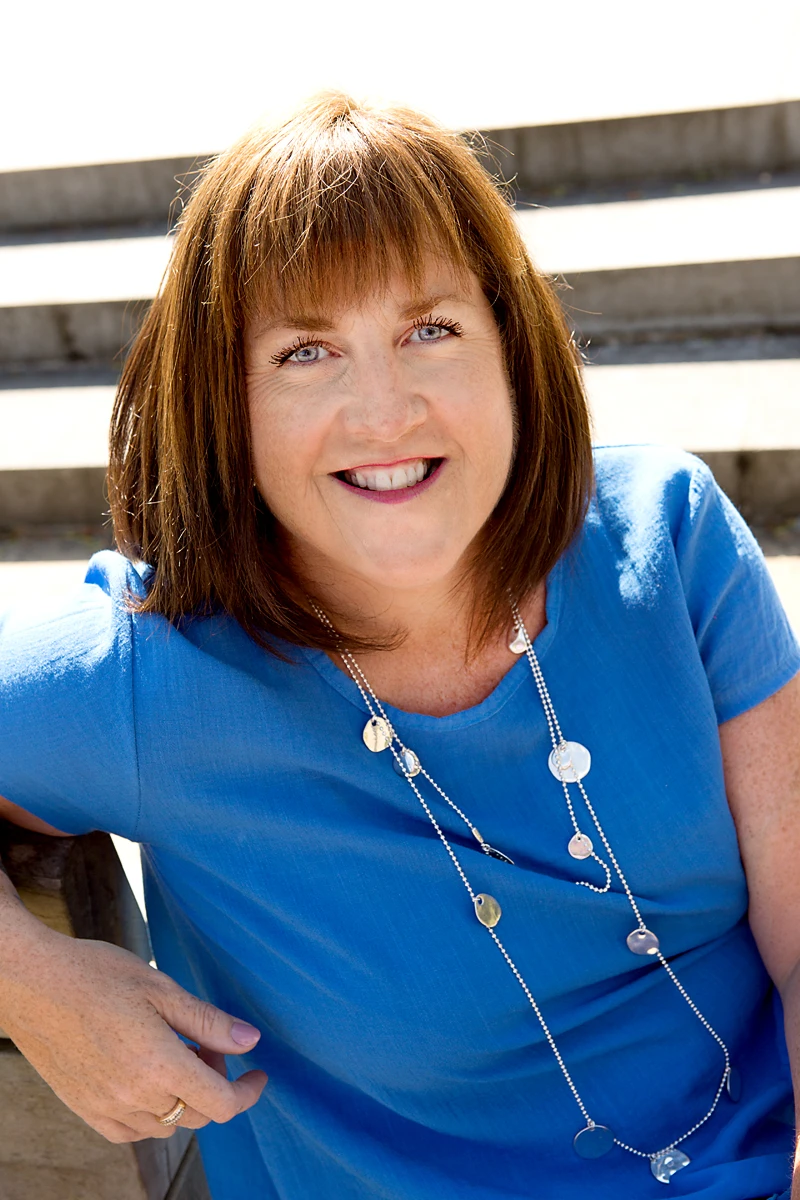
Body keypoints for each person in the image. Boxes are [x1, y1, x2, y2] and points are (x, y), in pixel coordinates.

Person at [0, 92, 798, 1200]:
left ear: (511, 350)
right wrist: (29, 982)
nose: (384, 412)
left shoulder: (665, 538)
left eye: (431, 330)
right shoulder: (154, 676)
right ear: (225, 409)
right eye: (305, 352)